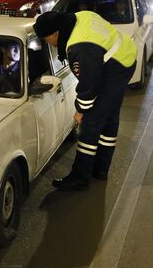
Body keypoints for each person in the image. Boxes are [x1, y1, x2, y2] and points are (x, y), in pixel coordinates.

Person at [33, 11, 137, 191]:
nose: (46, 43)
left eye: (45, 38)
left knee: (91, 123)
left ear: (56, 33)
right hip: (124, 55)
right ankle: (100, 170)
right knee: (109, 118)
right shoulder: (80, 17)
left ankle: (79, 177)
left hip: (116, 69)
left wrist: (80, 111)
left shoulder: (80, 47)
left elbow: (89, 86)